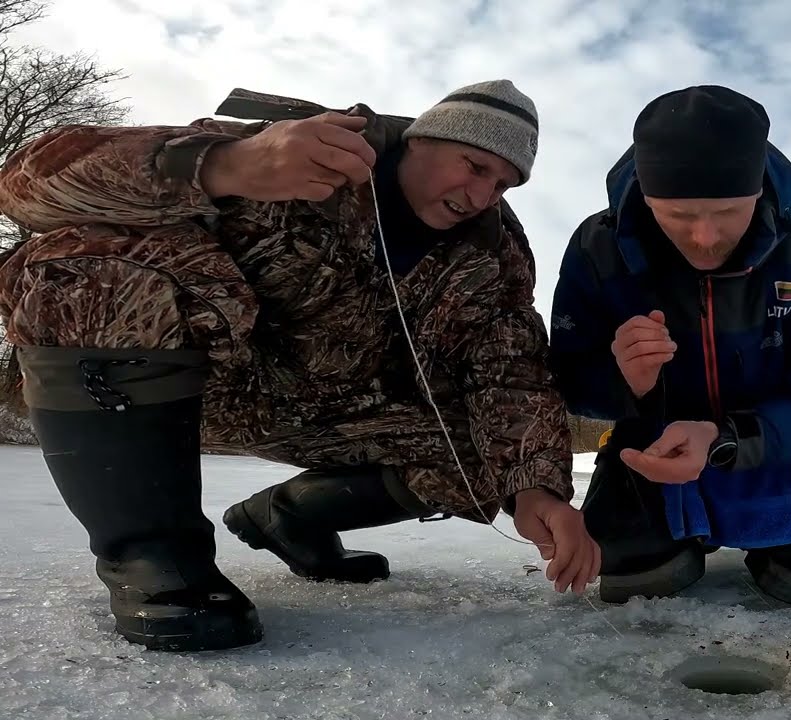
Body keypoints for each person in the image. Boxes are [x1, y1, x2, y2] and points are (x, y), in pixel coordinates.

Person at [0, 80, 600, 652]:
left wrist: (538, 489)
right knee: (96, 263)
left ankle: (288, 519)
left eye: (502, 184)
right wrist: (225, 164)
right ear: (421, 138)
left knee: (484, 454)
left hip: (332, 412)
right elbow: (24, 187)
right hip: (181, 384)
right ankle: (154, 559)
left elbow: (511, 373)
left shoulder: (493, 255)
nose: (480, 196)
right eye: (474, 166)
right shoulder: (298, 150)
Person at [548, 85, 791, 608]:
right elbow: (569, 383)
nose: (704, 237)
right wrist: (625, 383)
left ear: (757, 190)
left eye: (727, 211)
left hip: (787, 450)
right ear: (647, 196)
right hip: (652, 451)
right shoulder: (598, 248)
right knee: (636, 582)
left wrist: (724, 438)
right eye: (677, 216)